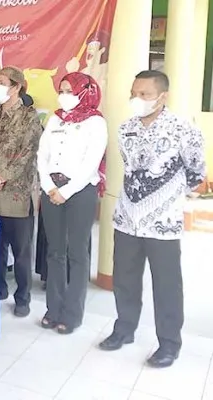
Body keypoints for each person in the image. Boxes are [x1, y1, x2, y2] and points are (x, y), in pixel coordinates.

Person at [99, 70, 206, 368]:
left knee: (167, 285)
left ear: (162, 96)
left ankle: (169, 343)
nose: (137, 99)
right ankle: (124, 329)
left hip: (163, 224)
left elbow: (197, 172)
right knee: (125, 279)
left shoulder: (183, 129)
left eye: (144, 94)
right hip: (127, 218)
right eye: (134, 93)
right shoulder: (126, 128)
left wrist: (167, 198)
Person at [37, 72, 107, 334]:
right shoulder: (55, 118)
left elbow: (92, 161)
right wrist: (48, 186)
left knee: (77, 253)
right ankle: (53, 308)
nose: (63, 95)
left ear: (84, 91)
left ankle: (73, 313)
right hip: (51, 188)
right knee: (55, 252)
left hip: (80, 191)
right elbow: (42, 154)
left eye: (69, 90)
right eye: (62, 89)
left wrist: (66, 191)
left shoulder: (96, 122)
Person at [0, 66, 41, 317]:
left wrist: (2, 178)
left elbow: (27, 154)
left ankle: (22, 297)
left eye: (2, 82)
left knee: (21, 249)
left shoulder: (29, 117)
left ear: (17, 87)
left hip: (16, 192)